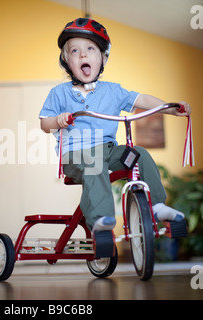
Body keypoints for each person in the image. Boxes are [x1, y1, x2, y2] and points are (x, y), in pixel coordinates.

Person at [39, 18, 191, 238]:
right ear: (66, 61)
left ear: (103, 58)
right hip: (74, 154)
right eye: (74, 51)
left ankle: (156, 206)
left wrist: (171, 108)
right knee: (94, 165)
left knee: (139, 154)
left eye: (90, 49)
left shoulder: (113, 91)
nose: (83, 55)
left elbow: (142, 100)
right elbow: (45, 124)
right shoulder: (59, 93)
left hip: (109, 151)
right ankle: (101, 219)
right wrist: (58, 120)